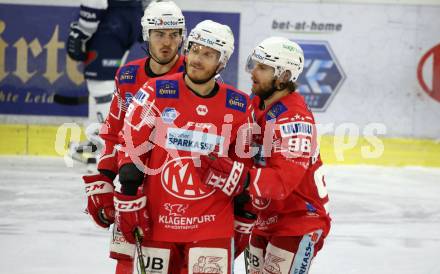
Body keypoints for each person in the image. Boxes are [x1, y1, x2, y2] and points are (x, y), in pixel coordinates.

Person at [114, 20, 253, 274]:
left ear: (222, 62)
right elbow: (130, 143)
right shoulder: (155, 92)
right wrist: (129, 189)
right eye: (194, 50)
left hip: (213, 226)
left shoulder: (240, 106)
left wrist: (245, 212)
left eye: (208, 54)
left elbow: (245, 167)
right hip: (159, 221)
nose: (198, 59)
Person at [196, 36, 331, 274]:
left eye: (263, 67)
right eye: (254, 64)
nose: (253, 72)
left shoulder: (295, 120)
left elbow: (282, 182)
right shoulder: (255, 102)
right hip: (263, 218)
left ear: (284, 76)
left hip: (298, 221)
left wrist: (239, 176)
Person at [81, 1, 186, 273]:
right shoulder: (127, 75)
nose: (167, 42)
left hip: (179, 195)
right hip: (131, 190)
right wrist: (104, 178)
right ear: (145, 35)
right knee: (126, 264)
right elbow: (113, 132)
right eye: (159, 34)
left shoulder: (196, 75)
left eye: (174, 34)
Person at [66, 0, 144, 165]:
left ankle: (105, 147)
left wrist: (81, 32)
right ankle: (97, 140)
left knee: (100, 81)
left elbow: (97, 2)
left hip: (112, 20)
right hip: (132, 16)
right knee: (110, 80)